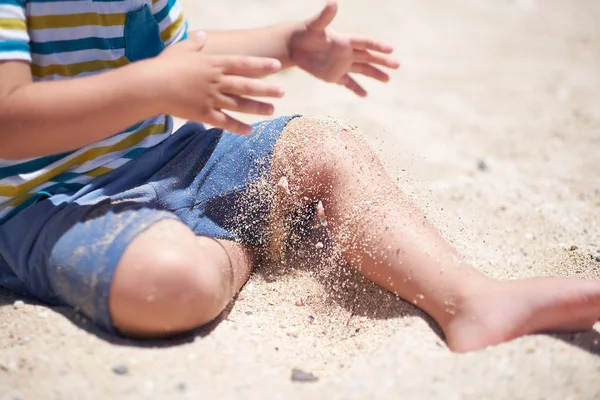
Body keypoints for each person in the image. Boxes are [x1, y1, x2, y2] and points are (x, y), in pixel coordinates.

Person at [0, 0, 598, 353]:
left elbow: (182, 48)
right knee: (173, 283)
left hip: (172, 156)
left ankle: (467, 299)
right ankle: (249, 239)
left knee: (322, 146)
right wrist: (151, 86)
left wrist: (288, 45)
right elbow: (9, 120)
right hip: (51, 201)